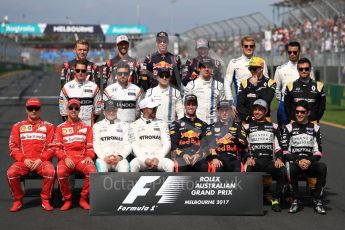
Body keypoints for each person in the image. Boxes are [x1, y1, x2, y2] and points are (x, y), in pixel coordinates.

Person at [7, 98, 55, 212]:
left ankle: (45, 199)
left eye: (36, 108)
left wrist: (41, 159)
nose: (33, 111)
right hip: (23, 161)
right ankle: (18, 200)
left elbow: (52, 147)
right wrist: (23, 159)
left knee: (51, 171)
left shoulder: (49, 126)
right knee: (11, 173)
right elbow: (13, 147)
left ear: (40, 110)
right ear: (26, 110)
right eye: (30, 108)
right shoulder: (17, 126)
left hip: (41, 161)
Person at [280, 100, 327, 214]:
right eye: (297, 112)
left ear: (308, 113)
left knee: (322, 167)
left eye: (302, 112)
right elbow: (285, 151)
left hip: (309, 162)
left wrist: (309, 161)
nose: (299, 114)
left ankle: (317, 200)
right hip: (295, 161)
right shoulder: (288, 128)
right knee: (290, 168)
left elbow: (319, 151)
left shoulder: (315, 128)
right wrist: (298, 160)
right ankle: (295, 200)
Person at [243, 99, 287, 212]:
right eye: (255, 109)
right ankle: (251, 200)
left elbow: (278, 146)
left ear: (265, 111)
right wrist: (248, 157)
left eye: (260, 109)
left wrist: (279, 158)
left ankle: (276, 199)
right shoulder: (247, 127)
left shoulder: (274, 127)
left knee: (282, 170)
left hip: (269, 161)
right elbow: (243, 146)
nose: (257, 112)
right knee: (249, 169)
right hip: (254, 161)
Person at [55, 99, 97, 211]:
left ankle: (83, 199)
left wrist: (89, 156)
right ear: (67, 110)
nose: (73, 110)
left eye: (76, 108)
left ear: (79, 110)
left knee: (92, 171)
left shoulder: (87, 127)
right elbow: (57, 149)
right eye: (71, 108)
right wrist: (64, 158)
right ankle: (67, 199)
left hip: (82, 158)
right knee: (60, 172)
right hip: (67, 158)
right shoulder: (60, 128)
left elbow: (90, 146)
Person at [274, 41, 314, 125]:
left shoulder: (307, 68)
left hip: (302, 107)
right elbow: (277, 89)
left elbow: (313, 86)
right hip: (285, 105)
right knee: (284, 132)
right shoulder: (280, 69)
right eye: (289, 52)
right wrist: (283, 101)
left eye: (295, 52)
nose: (292, 54)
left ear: (299, 52)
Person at [129, 97, 174, 172]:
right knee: (133, 164)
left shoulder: (162, 123)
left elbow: (167, 143)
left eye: (155, 108)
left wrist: (158, 158)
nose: (155, 110)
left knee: (170, 165)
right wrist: (145, 159)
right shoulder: (134, 125)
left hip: (159, 158)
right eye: (152, 108)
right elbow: (134, 145)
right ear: (144, 109)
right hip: (142, 158)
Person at [204, 100, 247, 172]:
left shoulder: (238, 127)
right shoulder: (210, 128)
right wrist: (214, 158)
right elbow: (207, 146)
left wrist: (235, 139)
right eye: (221, 110)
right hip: (217, 158)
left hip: (234, 159)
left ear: (230, 111)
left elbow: (244, 144)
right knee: (217, 169)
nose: (224, 113)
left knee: (238, 169)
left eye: (226, 110)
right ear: (218, 112)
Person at [170, 94, 209, 172]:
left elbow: (206, 145)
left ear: (197, 106)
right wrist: (182, 154)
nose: (191, 107)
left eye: (193, 104)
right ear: (184, 106)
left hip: (198, 157)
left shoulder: (203, 125)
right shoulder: (176, 124)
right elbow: (173, 145)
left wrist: (199, 154)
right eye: (188, 104)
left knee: (204, 166)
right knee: (181, 167)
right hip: (182, 156)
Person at [224, 36, 268, 102]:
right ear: (242, 47)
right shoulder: (233, 63)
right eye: (246, 46)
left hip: (258, 100)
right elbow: (227, 83)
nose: (249, 48)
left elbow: (266, 81)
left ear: (254, 47)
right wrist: (230, 100)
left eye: (251, 46)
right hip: (241, 100)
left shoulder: (262, 62)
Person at [59, 60, 102, 126]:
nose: (80, 73)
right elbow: (63, 109)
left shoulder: (94, 87)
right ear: (74, 71)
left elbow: (98, 108)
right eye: (78, 70)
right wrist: (69, 123)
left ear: (86, 72)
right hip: (71, 126)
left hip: (88, 126)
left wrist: (92, 122)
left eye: (83, 71)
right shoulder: (67, 87)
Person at [93, 100, 131, 172]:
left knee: (125, 168)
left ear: (117, 111)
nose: (111, 112)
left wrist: (120, 156)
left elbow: (128, 144)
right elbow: (96, 144)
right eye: (108, 110)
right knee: (102, 169)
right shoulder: (97, 126)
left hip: (119, 159)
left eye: (113, 110)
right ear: (104, 112)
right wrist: (104, 157)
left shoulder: (125, 125)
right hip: (103, 158)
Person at [284, 58, 326, 123]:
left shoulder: (319, 86)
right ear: (298, 70)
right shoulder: (290, 85)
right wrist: (291, 118)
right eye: (301, 69)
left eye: (306, 69)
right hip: (294, 123)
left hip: (312, 123)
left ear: (310, 69)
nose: (304, 71)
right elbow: (287, 106)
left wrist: (315, 119)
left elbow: (322, 107)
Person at [184, 59, 225, 125]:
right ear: (199, 69)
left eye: (209, 67)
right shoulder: (191, 85)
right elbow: (185, 106)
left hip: (213, 124)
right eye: (203, 67)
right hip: (196, 124)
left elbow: (223, 107)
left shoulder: (219, 86)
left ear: (212, 69)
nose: (206, 69)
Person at [237, 56, 276, 123]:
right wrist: (248, 118)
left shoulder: (271, 83)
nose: (252, 71)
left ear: (261, 68)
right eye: (250, 68)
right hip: (248, 120)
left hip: (265, 120)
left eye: (254, 68)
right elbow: (240, 105)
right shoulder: (244, 83)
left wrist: (255, 86)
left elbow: (266, 99)